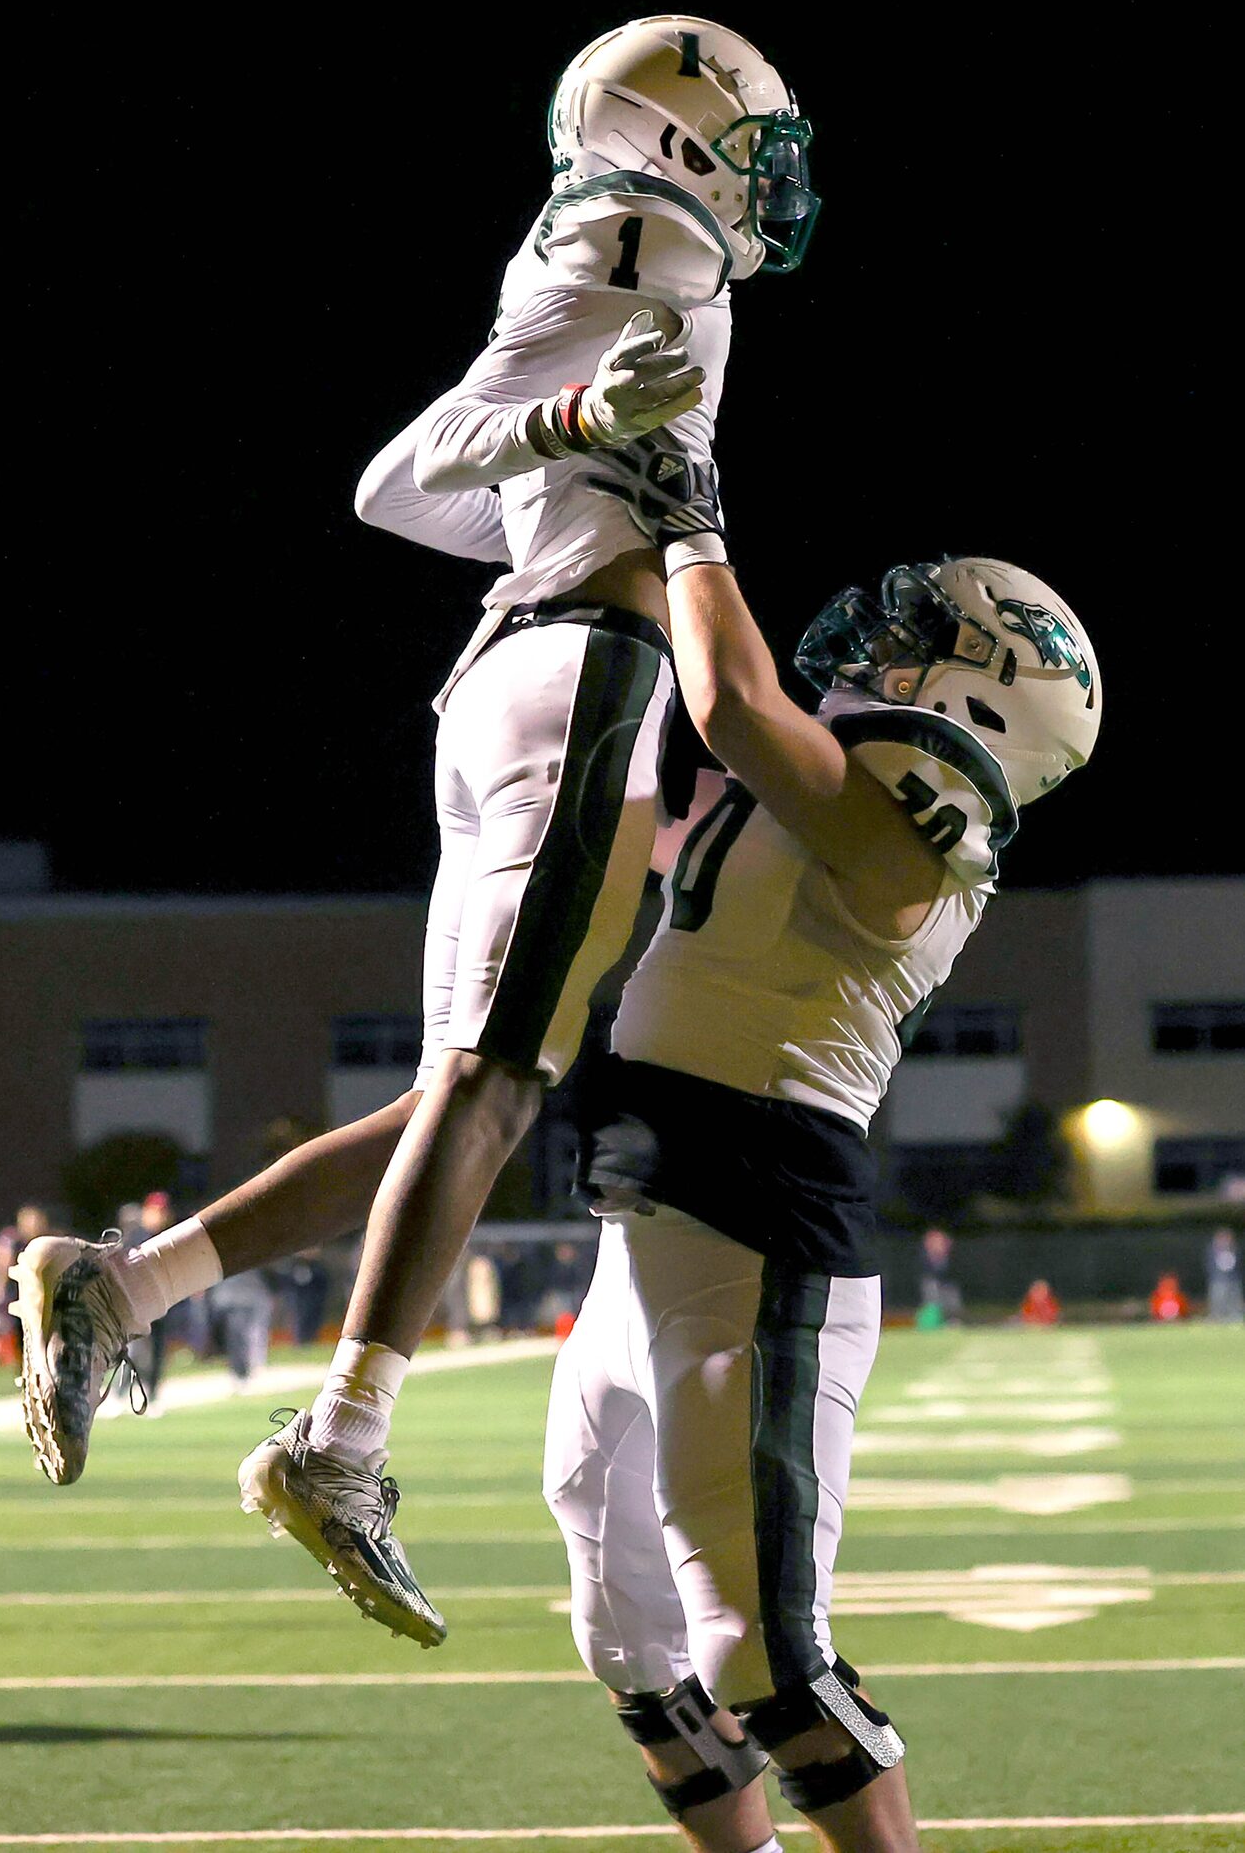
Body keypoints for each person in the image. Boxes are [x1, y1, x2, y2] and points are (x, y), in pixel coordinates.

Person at [10, 16, 819, 1651]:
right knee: (496, 1083)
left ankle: (128, 1281)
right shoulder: (643, 228)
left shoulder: (612, 239)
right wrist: (581, 421)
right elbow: (440, 466)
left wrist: (568, 434)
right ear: (669, 134)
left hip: (513, 673)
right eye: (747, 136)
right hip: (584, 677)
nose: (770, 175)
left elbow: (407, 481)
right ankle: (339, 1440)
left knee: (468, 1089)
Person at [538, 453, 1101, 1849]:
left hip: (754, 1217)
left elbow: (732, 700)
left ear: (981, 702)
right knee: (631, 1640)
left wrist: (689, 524)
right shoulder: (831, 754)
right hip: (651, 1213)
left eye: (928, 643)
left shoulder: (929, 792)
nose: (880, 643)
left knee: (761, 1653)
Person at [1205, 1227, 1243, 1322]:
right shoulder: (1212, 1250)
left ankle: (1234, 1316)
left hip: (1233, 1279)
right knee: (1218, 1298)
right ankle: (1217, 1316)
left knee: (1234, 1298)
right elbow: (1210, 1264)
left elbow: (1239, 1263)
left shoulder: (1235, 1249)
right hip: (1218, 1280)